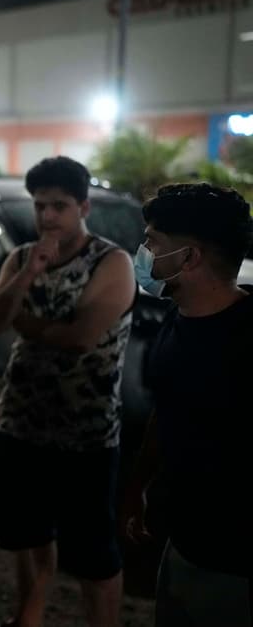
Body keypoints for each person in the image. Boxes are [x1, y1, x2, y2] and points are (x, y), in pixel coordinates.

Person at [0, 156, 136, 627]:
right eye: (40, 206)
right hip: (20, 422)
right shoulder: (22, 258)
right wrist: (28, 275)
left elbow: (81, 337)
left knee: (93, 553)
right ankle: (28, 618)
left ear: (83, 206)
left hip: (85, 431)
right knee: (28, 537)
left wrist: (22, 321)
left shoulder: (112, 261)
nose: (46, 217)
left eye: (59, 206)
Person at [121, 183, 252, 626]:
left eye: (152, 242)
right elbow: (168, 405)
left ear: (190, 258)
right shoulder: (181, 319)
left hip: (235, 569)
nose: (141, 252)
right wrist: (138, 482)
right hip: (183, 545)